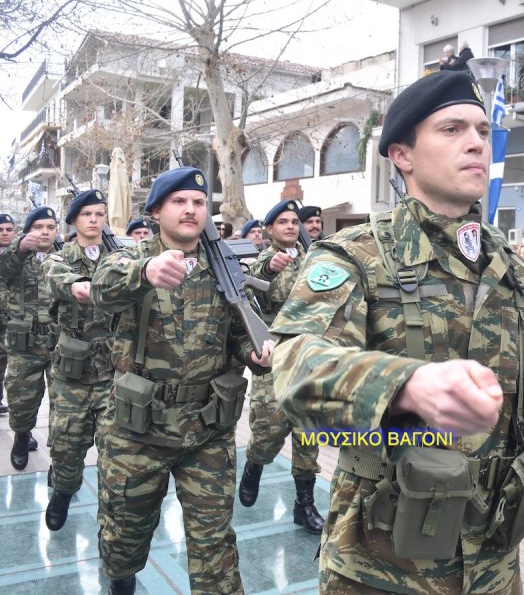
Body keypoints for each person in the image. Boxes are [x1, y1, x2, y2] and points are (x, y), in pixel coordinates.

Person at [269, 70, 524, 593]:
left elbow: (501, 397)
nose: (476, 143)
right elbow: (294, 367)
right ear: (403, 154)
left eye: (482, 131)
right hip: (384, 563)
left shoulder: (506, 264)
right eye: (451, 129)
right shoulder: (356, 255)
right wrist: (408, 385)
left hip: (492, 560)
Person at [91, 167, 274, 595]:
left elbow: (238, 334)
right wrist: (145, 272)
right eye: (179, 201)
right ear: (156, 211)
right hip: (137, 432)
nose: (191, 209)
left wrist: (254, 353)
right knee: (123, 538)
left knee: (216, 550)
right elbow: (101, 288)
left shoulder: (223, 267)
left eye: (198, 202)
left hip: (207, 429)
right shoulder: (128, 259)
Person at [237, 199, 323, 534]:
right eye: (282, 222)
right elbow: (257, 280)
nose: (290, 226)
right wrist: (271, 268)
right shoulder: (263, 258)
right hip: (274, 355)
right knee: (269, 431)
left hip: (309, 354)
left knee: (308, 433)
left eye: (293, 222)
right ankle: (254, 464)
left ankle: (305, 505)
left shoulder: (314, 256)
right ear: (269, 229)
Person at [42, 189, 116, 531]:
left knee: (115, 450)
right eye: (87, 214)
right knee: (67, 446)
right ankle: (63, 490)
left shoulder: (119, 258)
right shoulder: (60, 259)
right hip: (71, 374)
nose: (94, 220)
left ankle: (111, 517)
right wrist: (78, 286)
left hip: (113, 372)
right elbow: (56, 277)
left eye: (99, 214)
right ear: (74, 220)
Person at [0, 205, 59, 470]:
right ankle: (22, 436)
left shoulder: (66, 256)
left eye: (50, 227)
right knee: (21, 398)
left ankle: (61, 451)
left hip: (60, 344)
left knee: (63, 402)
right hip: (25, 344)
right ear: (27, 231)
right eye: (38, 227)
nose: (45, 232)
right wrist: (21, 248)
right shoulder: (15, 258)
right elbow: (3, 270)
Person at [0, 213, 16, 415]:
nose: (5, 233)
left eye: (9, 229)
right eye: (1, 230)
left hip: (13, 320)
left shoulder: (21, 256)